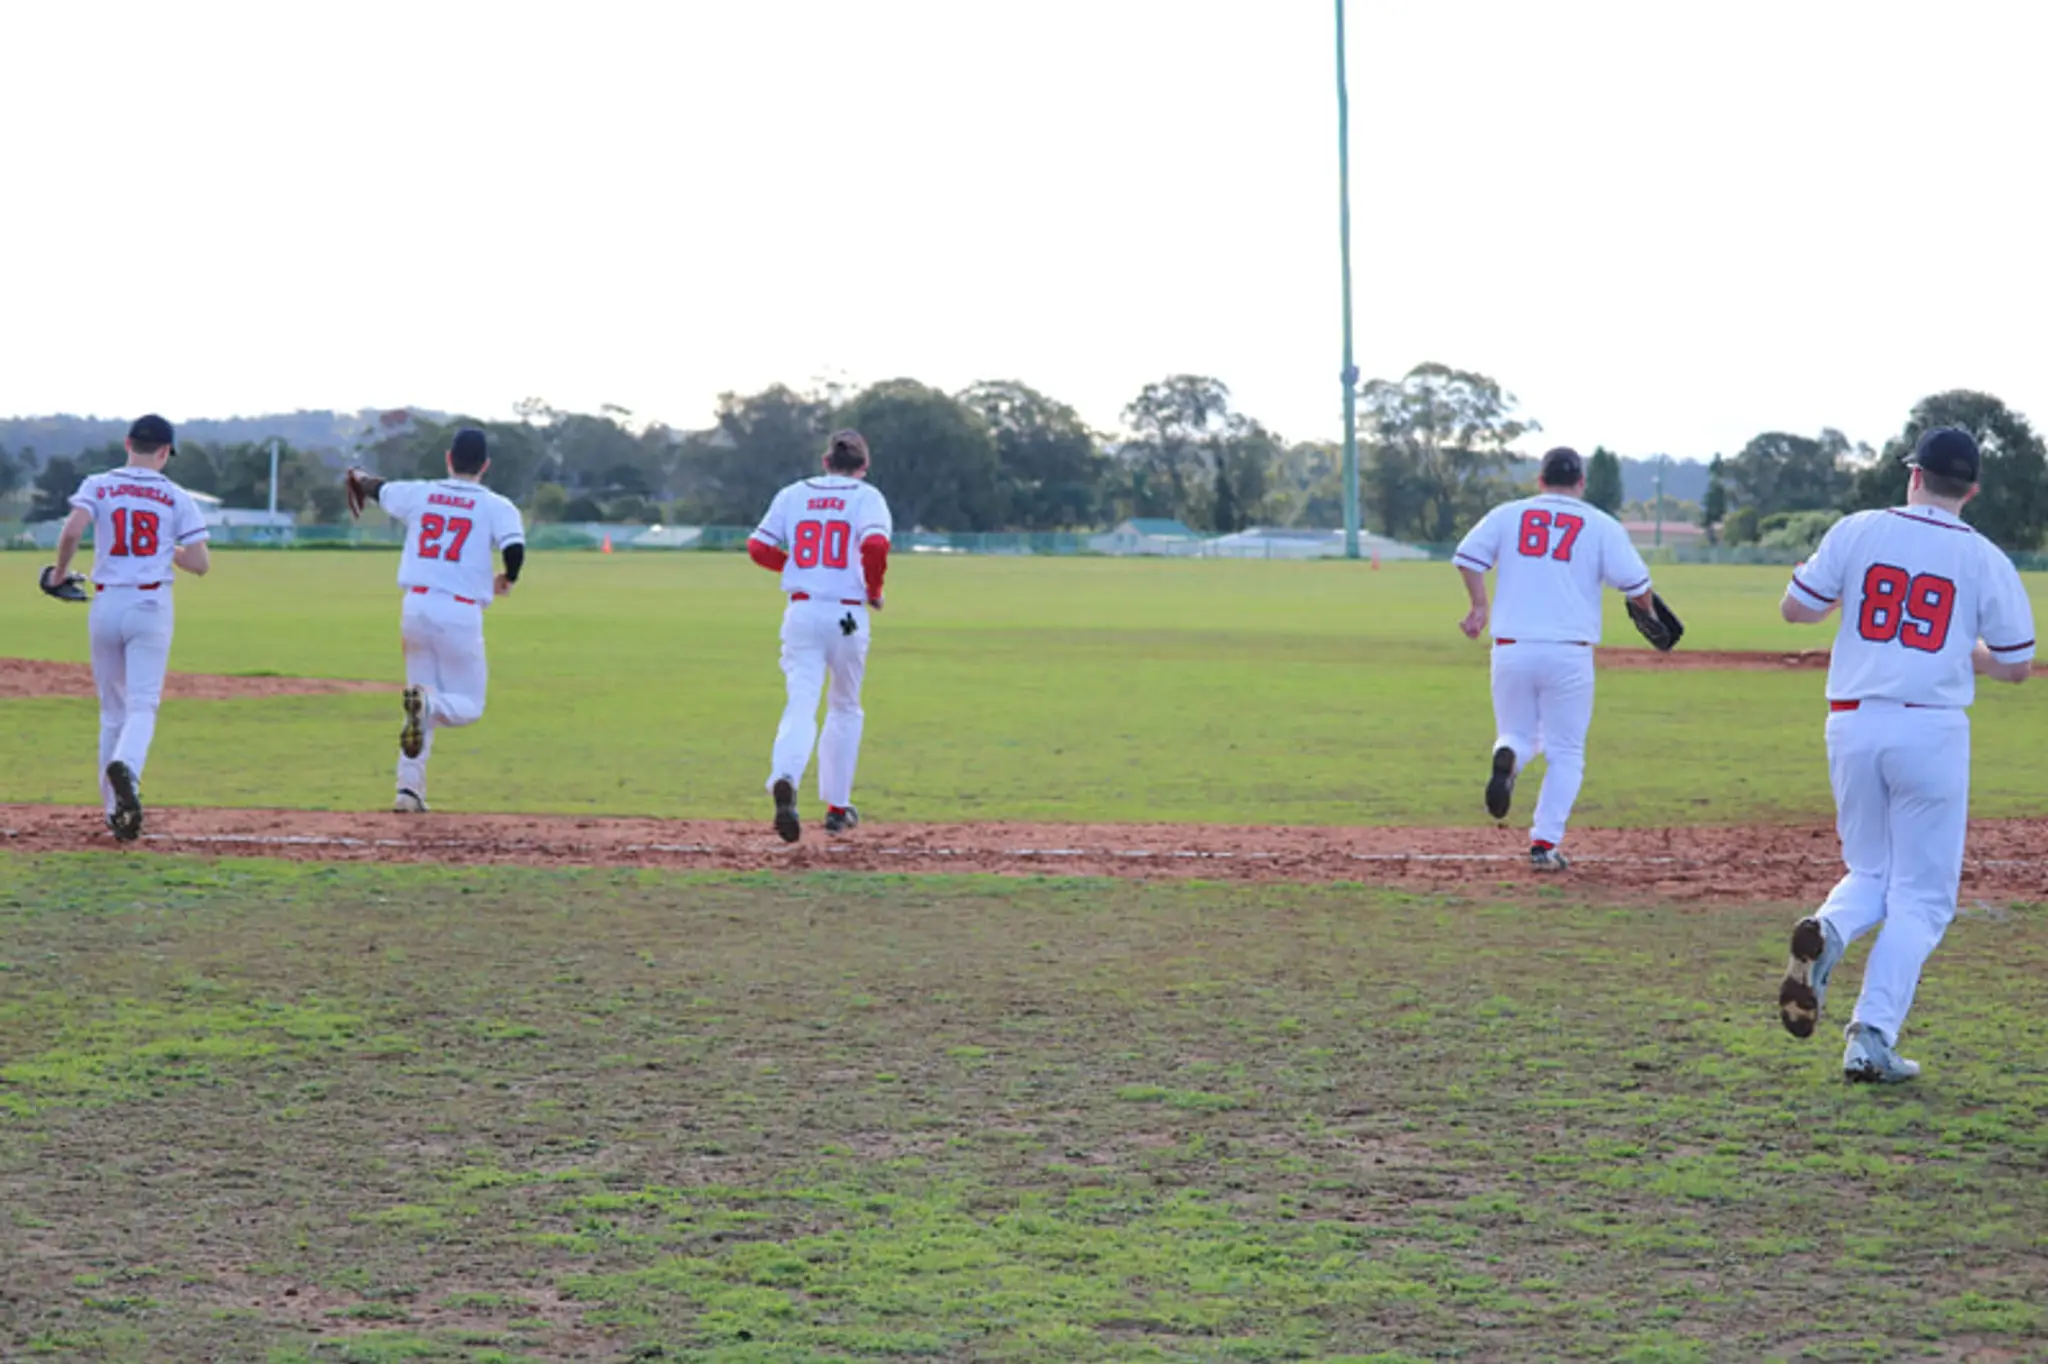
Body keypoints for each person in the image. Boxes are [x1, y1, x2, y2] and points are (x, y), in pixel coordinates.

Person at [1776, 426, 2033, 1083]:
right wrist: (1961, 650)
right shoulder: (1984, 557)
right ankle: (1870, 1038)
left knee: (1870, 870)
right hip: (1930, 729)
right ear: (1971, 490)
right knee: (1922, 898)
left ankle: (1830, 931)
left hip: (1852, 721)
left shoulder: (1859, 529)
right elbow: (2015, 666)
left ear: (1913, 474)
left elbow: (1796, 610)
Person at [1453, 446, 1659, 870]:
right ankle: (1544, 843)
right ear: (1581, 482)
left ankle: (1507, 755)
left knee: (1516, 732)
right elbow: (1637, 586)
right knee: (1566, 752)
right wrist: (1649, 613)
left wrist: (1479, 606)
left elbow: (1467, 557)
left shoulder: (1508, 514)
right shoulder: (1600, 524)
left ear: (1540, 480)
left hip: (1511, 646)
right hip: (1568, 651)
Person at [40, 414, 212, 841]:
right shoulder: (175, 495)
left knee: (111, 710)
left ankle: (114, 813)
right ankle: (128, 767)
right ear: (165, 452)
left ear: (127, 443)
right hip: (150, 604)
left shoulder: (99, 484)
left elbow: (72, 532)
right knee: (142, 706)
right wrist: (168, 549)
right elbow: (200, 563)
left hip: (105, 601)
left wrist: (59, 575)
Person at [344, 428, 526, 813]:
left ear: (448, 459)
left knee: (419, 697)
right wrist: (508, 579)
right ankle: (427, 712)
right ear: (485, 465)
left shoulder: (421, 493)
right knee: (467, 704)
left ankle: (407, 790)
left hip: (415, 607)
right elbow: (514, 549)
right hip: (459, 612)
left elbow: (380, 489)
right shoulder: (496, 506)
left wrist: (358, 476)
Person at [746, 428, 893, 842]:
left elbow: (757, 547)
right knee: (844, 707)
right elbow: (875, 545)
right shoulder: (868, 497)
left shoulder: (794, 494)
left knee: (801, 702)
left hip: (803, 610)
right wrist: (874, 589)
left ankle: (786, 776)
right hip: (847, 614)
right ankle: (836, 808)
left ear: (826, 462)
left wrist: (798, 568)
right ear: (863, 466)